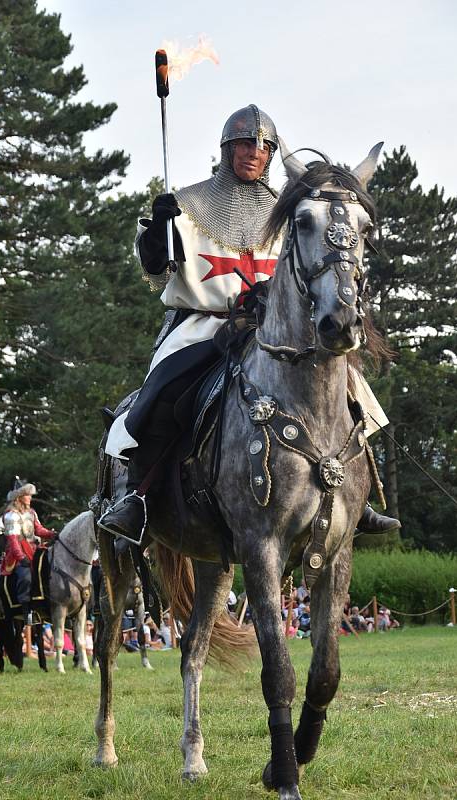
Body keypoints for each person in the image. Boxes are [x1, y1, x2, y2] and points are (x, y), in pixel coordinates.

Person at [100, 104, 399, 547]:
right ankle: (138, 498)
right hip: (202, 325)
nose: (253, 152)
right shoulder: (188, 203)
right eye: (244, 143)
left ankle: (359, 494)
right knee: (163, 393)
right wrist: (158, 230)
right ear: (226, 149)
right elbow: (158, 270)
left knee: (350, 388)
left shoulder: (292, 210)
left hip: (271, 328)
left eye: (263, 146)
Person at [0, 478, 55, 614]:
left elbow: (38, 530)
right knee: (26, 576)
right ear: (19, 498)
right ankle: (25, 609)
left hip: (34, 549)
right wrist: (21, 557)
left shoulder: (31, 513)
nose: (30, 498)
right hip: (17, 551)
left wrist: (52, 534)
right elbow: (13, 540)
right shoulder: (11, 515)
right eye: (27, 495)